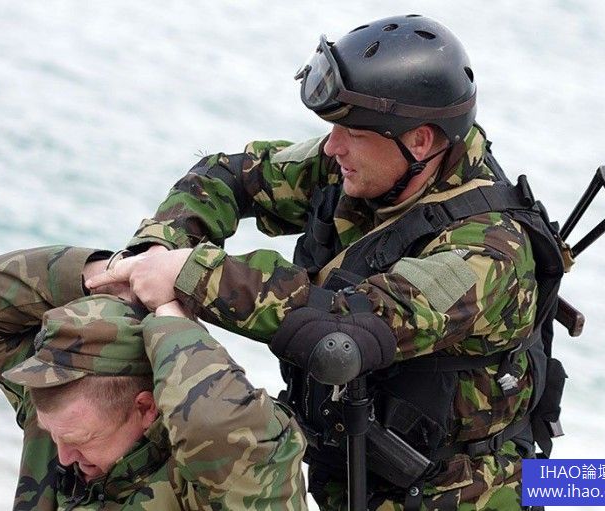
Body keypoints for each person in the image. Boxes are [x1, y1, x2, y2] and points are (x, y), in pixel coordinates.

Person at [85, 14, 565, 510]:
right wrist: (155, 251)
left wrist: (190, 275)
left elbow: (347, 327)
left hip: (463, 495)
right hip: (351, 475)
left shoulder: (486, 253)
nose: (333, 146)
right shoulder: (371, 165)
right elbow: (229, 177)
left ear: (419, 140)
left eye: (351, 132)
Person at [0, 245, 308, 510]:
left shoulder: (211, 478)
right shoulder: (62, 415)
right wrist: (113, 274)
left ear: (146, 408)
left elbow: (214, 423)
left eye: (79, 440)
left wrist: (170, 319)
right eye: (54, 435)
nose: (64, 457)